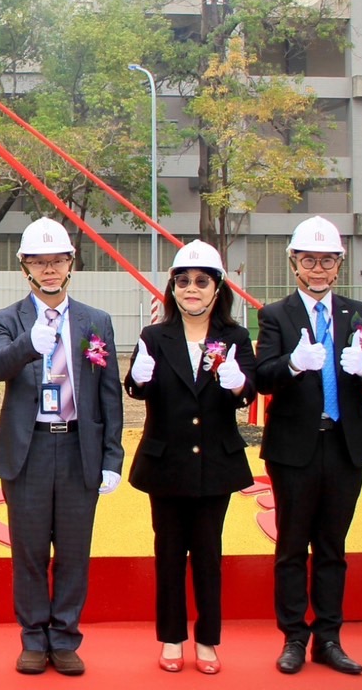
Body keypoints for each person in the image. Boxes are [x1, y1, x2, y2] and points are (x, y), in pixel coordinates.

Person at [0, 218, 124, 677]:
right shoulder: (6, 319)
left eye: (58, 261)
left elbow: (109, 396)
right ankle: (32, 637)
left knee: (73, 551)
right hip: (28, 451)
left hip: (78, 449)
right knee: (27, 551)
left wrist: (111, 458)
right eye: (39, 262)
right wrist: (29, 344)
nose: (49, 269)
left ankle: (64, 637)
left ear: (71, 264)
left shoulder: (94, 321)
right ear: (24, 266)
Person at [251, 216, 362, 676]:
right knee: (291, 546)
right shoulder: (275, 315)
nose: (319, 268)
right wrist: (292, 364)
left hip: (345, 445)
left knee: (332, 546)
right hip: (294, 448)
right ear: (294, 263)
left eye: (328, 260)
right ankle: (293, 637)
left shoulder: (359, 313)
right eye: (310, 260)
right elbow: (261, 377)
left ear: (340, 264)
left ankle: (328, 637)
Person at [125, 240, 254, 676]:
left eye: (202, 281)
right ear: (173, 288)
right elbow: (139, 385)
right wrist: (137, 381)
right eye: (183, 281)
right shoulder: (154, 336)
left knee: (208, 555)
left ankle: (208, 640)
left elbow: (249, 391)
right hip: (166, 462)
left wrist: (238, 386)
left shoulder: (234, 337)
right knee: (168, 554)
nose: (192, 289)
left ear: (217, 288)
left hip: (216, 462)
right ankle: (172, 637)